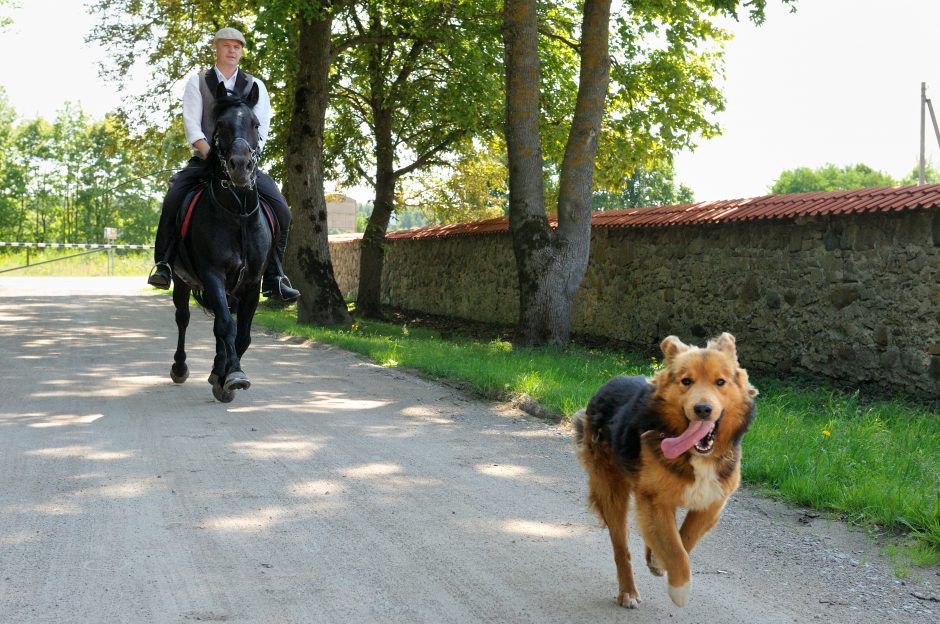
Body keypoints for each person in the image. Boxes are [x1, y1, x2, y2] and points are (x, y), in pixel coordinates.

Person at [148, 27, 300, 301]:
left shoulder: (256, 86)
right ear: (216, 48)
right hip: (206, 159)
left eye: (237, 47)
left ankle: (275, 276)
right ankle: (164, 264)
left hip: (244, 163)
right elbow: (192, 126)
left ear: (241, 51)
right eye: (227, 46)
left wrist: (246, 159)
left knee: (283, 212)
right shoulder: (198, 82)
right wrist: (213, 157)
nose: (232, 51)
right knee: (172, 199)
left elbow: (260, 129)